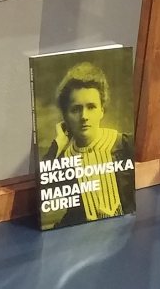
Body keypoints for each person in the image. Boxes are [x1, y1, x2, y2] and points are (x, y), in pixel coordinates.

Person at [40, 62, 135, 227]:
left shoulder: (125, 144)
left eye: (91, 107)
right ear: (65, 116)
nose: (84, 116)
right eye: (76, 109)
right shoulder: (64, 160)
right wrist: (58, 143)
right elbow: (43, 191)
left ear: (102, 110)